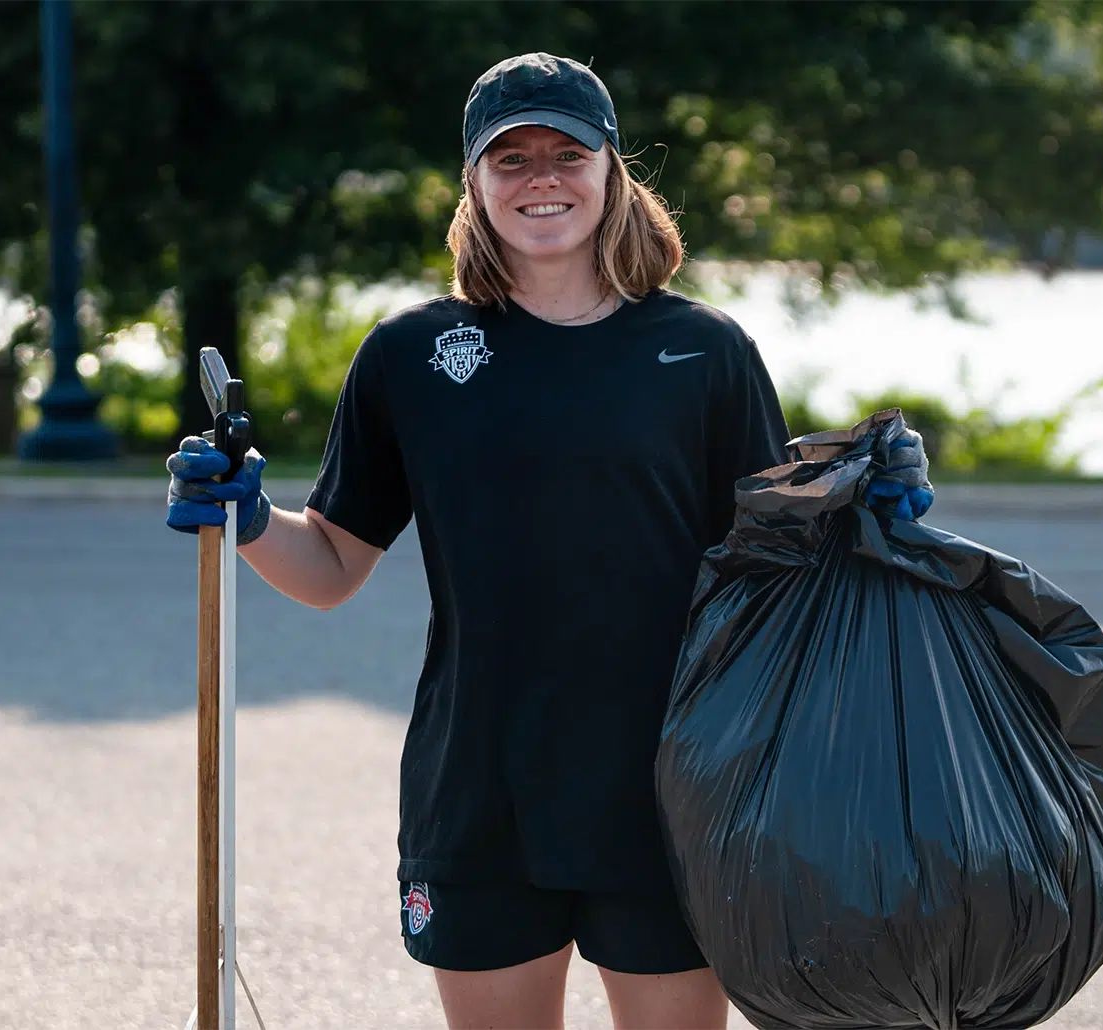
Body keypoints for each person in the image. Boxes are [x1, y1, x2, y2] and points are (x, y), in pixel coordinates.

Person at [166, 52, 789, 1030]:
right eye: (511, 158)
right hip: (482, 788)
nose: (541, 176)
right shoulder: (410, 356)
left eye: (565, 154)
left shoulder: (703, 353)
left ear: (611, 172)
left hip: (670, 788)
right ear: (474, 183)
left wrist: (863, 508)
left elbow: (780, 567)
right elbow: (329, 565)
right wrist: (245, 518)